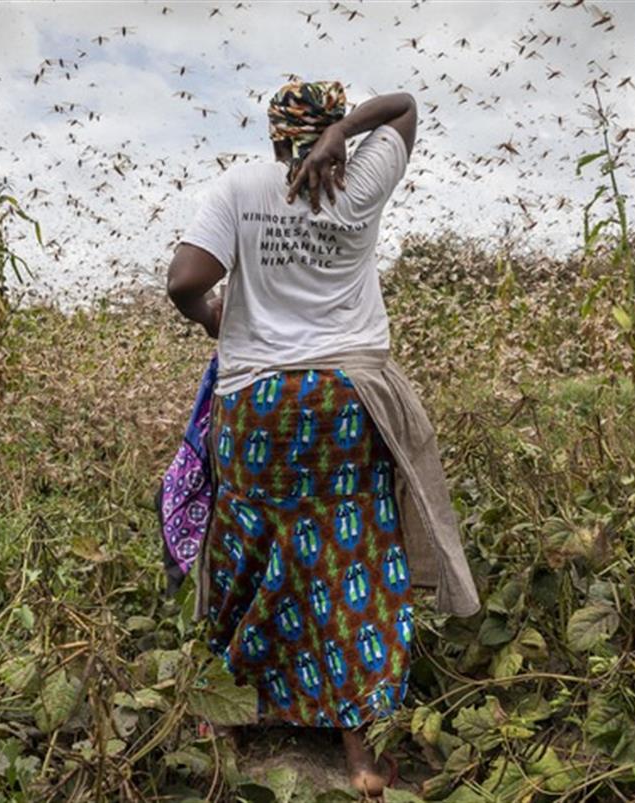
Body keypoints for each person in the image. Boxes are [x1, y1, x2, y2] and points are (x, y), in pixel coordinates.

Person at [166, 80, 479, 796]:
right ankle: (362, 757)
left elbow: (186, 280)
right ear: (331, 130)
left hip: (259, 406)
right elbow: (403, 105)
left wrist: (219, 320)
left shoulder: (239, 187)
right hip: (346, 400)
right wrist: (348, 134)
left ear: (275, 135)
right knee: (350, 554)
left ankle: (227, 718)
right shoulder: (359, 177)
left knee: (245, 542)